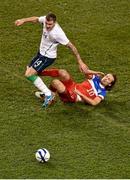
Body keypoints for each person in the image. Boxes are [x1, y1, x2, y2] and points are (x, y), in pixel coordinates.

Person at [15, 12, 88, 107]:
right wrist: (23, 20)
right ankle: (47, 93)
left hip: (47, 57)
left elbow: (71, 47)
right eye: (46, 23)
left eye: (50, 24)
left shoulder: (58, 33)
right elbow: (36, 19)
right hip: (40, 53)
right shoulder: (45, 20)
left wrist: (80, 61)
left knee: (29, 74)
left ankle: (48, 94)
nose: (47, 26)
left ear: (55, 23)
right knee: (29, 69)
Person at [35, 68, 116, 106]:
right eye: (106, 76)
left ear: (109, 84)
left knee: (55, 82)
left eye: (109, 79)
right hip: (72, 85)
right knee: (63, 72)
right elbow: (85, 71)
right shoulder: (96, 78)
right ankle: (38, 72)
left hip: (74, 96)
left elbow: (94, 103)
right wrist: (96, 72)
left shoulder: (102, 92)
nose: (106, 78)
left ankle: (49, 97)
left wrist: (80, 94)